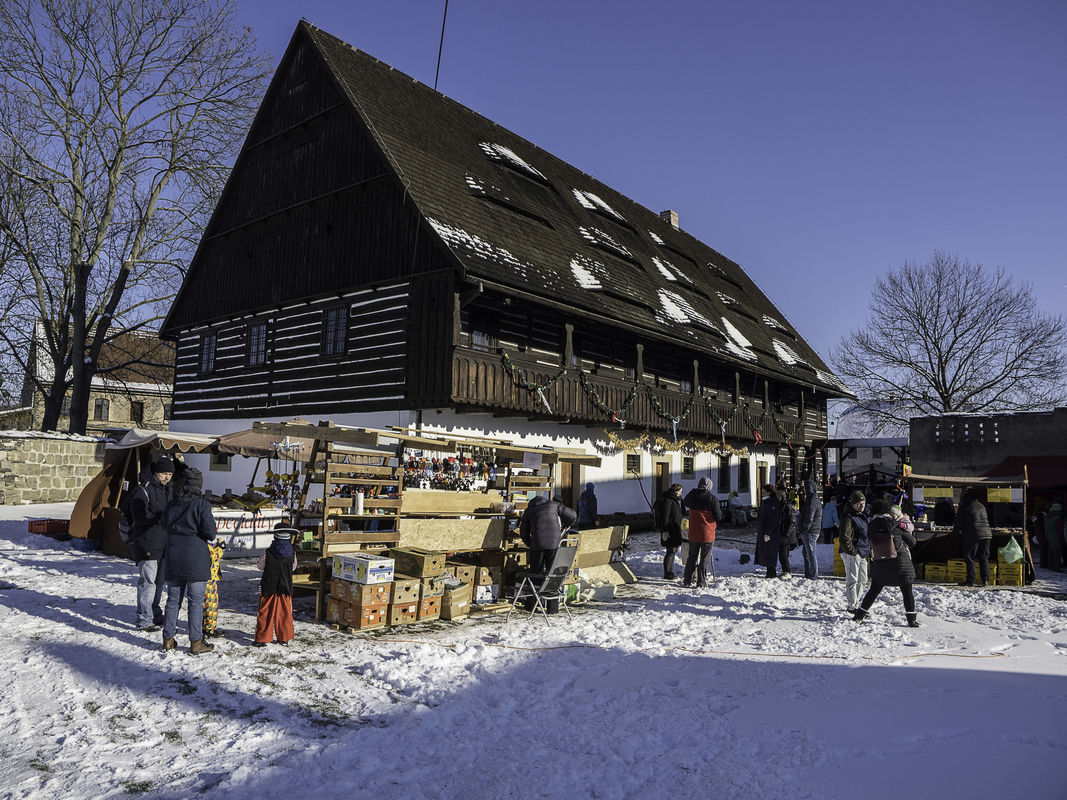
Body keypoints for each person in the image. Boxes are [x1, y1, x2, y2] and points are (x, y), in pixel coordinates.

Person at [160, 468, 218, 655]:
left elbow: (163, 525)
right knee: (195, 601)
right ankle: (196, 642)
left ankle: (168, 639)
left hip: (174, 554)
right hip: (195, 557)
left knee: (173, 600)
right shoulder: (201, 504)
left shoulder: (172, 503)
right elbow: (210, 533)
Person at [853, 500, 919, 627]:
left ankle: (859, 615)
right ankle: (911, 620)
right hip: (901, 566)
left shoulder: (871, 528)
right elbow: (912, 542)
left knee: (873, 590)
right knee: (907, 590)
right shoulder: (896, 526)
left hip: (881, 566)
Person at [130, 454, 174, 631]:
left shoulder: (169, 490)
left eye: (170, 474)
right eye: (164, 473)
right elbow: (139, 517)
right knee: (147, 582)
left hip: (165, 544)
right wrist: (161, 517)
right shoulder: (142, 491)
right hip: (147, 543)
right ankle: (144, 619)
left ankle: (154, 612)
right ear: (156, 473)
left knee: (159, 581)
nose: (167, 477)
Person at [254, 527, 298, 647]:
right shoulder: (292, 553)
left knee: (265, 613)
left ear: (275, 537)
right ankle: (283, 638)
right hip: (285, 588)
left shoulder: (267, 552)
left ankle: (262, 639)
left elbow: (260, 566)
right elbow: (293, 567)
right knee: (284, 614)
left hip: (268, 587)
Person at [519, 495, 578, 573]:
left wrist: (530, 543)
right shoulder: (554, 505)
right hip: (554, 543)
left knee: (536, 573)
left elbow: (523, 531)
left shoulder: (529, 510)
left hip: (537, 544)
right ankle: (550, 585)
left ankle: (537, 584)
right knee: (551, 572)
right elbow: (572, 515)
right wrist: (566, 525)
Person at [682, 477, 723, 587]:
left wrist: (693, 491)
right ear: (709, 486)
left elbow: (685, 501)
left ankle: (687, 580)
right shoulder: (712, 499)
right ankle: (701, 581)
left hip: (694, 532)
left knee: (692, 557)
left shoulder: (692, 496)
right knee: (704, 558)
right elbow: (718, 516)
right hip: (707, 533)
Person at [838, 489, 871, 613]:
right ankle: (852, 606)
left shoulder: (862, 516)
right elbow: (844, 537)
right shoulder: (848, 517)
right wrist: (852, 551)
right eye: (859, 503)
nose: (862, 505)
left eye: (863, 502)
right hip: (852, 552)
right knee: (853, 579)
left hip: (862, 551)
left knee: (863, 579)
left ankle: (856, 602)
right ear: (853, 504)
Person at [953, 490, 992, 586]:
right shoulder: (981, 505)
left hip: (973, 533)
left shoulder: (965, 506)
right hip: (987, 533)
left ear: (965, 499)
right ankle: (985, 580)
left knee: (969, 556)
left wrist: (954, 534)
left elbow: (959, 522)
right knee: (983, 557)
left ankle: (971, 580)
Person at [756, 483, 786, 578]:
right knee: (766, 551)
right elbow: (763, 514)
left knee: (770, 552)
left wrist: (768, 532)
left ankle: (771, 572)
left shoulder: (773, 502)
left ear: (769, 493)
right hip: (764, 529)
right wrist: (757, 513)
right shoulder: (765, 502)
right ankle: (769, 571)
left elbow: (773, 519)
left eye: (764, 492)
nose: (762, 494)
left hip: (771, 532)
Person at [658, 483, 685, 579]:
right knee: (670, 551)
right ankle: (667, 573)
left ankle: (670, 572)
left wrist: (681, 501)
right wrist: (665, 531)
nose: (681, 493)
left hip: (675, 529)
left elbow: (682, 512)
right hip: (670, 530)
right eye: (680, 492)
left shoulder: (675, 500)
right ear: (676, 491)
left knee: (673, 551)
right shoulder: (668, 500)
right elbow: (665, 517)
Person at [798, 479, 823, 579]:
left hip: (810, 530)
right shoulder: (813, 499)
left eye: (806, 488)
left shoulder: (812, 500)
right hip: (812, 530)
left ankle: (813, 575)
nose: (804, 490)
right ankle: (809, 574)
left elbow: (810, 516)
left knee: (810, 554)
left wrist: (804, 527)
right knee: (806, 553)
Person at [202, 538, 225, 638]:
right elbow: (214, 556)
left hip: (207, 578)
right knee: (211, 605)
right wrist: (220, 547)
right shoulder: (205, 545)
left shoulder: (203, 544)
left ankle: (204, 626)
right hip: (208, 579)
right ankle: (209, 629)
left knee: (206, 604)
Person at [1044, 501, 1064, 572]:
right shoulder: (1057, 519)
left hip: (1048, 536)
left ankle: (1050, 566)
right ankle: (1056, 567)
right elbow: (1059, 531)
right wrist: (1062, 539)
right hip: (1055, 537)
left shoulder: (1046, 517)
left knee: (1050, 553)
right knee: (1056, 553)